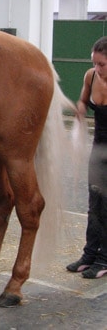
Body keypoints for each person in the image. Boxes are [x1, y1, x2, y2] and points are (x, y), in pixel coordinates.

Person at [66, 36, 107, 279]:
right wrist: (80, 109)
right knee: (94, 204)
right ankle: (89, 254)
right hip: (99, 148)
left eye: (103, 64)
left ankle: (104, 259)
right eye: (95, 63)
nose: (98, 69)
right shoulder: (90, 76)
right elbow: (83, 101)